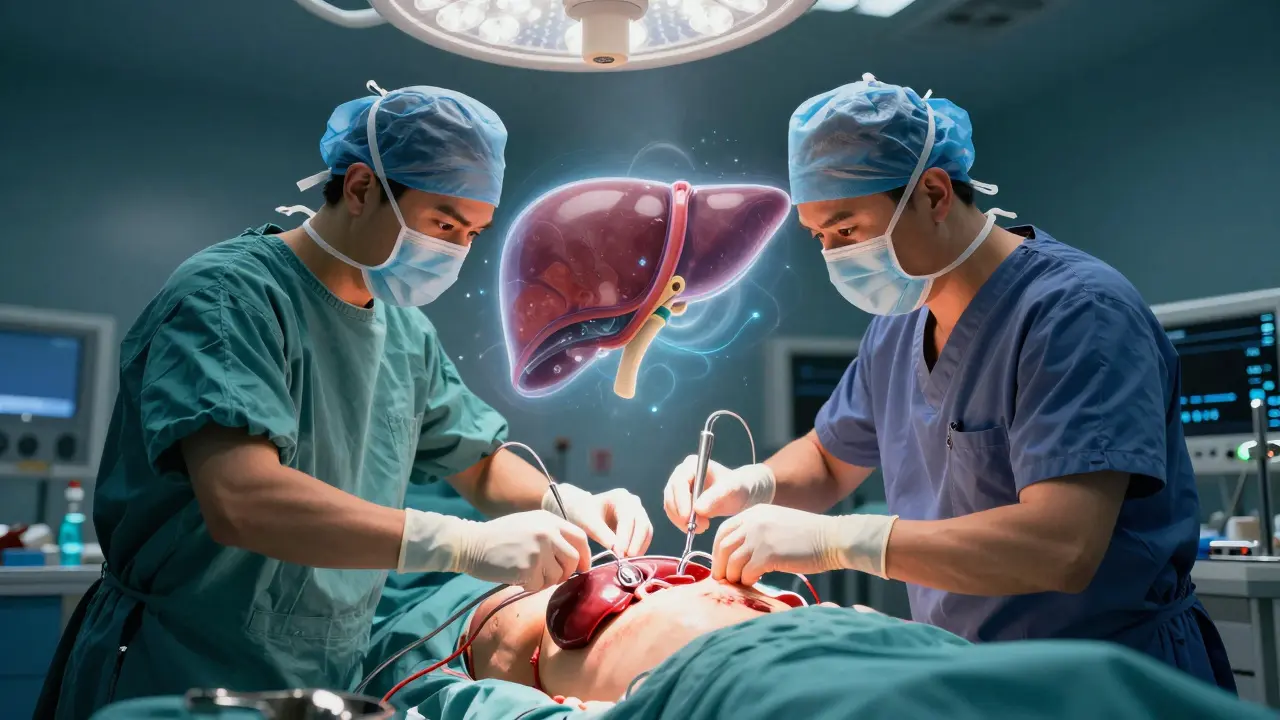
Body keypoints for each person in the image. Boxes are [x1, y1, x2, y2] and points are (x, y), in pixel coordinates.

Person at [38, 82, 652, 719]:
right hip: (182, 659)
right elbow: (241, 501)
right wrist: (460, 544)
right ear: (360, 188)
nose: (457, 251)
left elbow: (478, 462)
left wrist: (565, 501)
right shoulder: (228, 297)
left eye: (473, 233)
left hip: (329, 668)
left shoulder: (404, 331)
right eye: (444, 224)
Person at [661, 73, 1234, 691]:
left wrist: (838, 541)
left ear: (934, 193)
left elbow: (1062, 546)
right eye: (820, 238)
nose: (835, 255)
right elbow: (829, 461)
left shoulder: (1077, 314)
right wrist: (752, 483)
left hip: (1107, 680)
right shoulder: (901, 323)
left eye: (847, 229)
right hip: (972, 675)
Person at [91, 558, 1272, 720]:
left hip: (928, 658)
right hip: (737, 687)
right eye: (551, 603)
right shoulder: (451, 666)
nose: (652, 566)